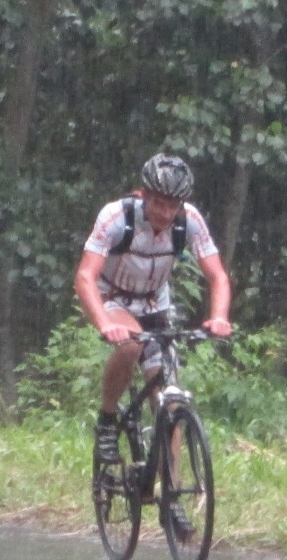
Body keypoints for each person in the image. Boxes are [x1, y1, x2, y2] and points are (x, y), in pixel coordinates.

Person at [74, 152, 233, 468]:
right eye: (158, 203)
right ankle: (107, 421)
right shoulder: (116, 217)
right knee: (131, 345)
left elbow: (217, 276)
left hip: (155, 303)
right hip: (113, 298)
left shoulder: (190, 221)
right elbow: (84, 277)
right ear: (143, 194)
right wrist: (105, 323)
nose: (165, 212)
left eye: (173, 206)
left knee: (168, 403)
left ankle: (169, 497)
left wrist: (219, 316)